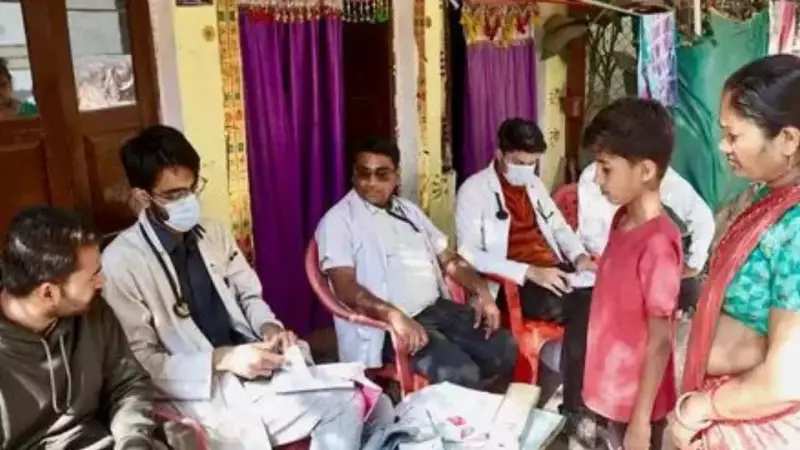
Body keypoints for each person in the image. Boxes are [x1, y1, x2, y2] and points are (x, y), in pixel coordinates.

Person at [102, 125, 389, 450]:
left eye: (192, 188)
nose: (188, 200)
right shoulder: (122, 263)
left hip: (254, 363)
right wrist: (223, 359)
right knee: (345, 404)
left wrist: (269, 328)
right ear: (143, 197)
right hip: (200, 389)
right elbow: (141, 363)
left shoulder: (212, 233)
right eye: (174, 194)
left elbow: (248, 295)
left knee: (376, 402)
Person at [666, 55, 800, 450]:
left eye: (734, 135)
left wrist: (701, 408)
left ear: (788, 140)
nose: (723, 146)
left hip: (760, 425)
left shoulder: (795, 228)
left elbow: (787, 377)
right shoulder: (765, 197)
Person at [316, 138, 518, 390]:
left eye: (382, 174)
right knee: (460, 373)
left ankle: (458, 396)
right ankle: (452, 400)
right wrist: (394, 316)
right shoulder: (338, 221)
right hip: (388, 325)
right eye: (364, 173)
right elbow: (345, 288)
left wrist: (481, 291)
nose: (371, 182)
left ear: (396, 176)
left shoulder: (408, 211)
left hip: (435, 309)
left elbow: (449, 258)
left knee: (504, 347)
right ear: (353, 175)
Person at [455, 118, 594, 413]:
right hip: (514, 283)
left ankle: (587, 391)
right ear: (499, 154)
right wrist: (528, 271)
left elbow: (558, 226)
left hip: (552, 269)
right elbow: (468, 253)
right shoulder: (473, 190)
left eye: (532, 163)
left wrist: (580, 257)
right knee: (584, 306)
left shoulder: (533, 184)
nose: (526, 169)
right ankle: (575, 405)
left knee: (604, 293)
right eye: (519, 162)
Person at [0, 206, 157, 449]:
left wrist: (133, 439)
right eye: (93, 276)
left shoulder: (92, 310)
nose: (102, 282)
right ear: (48, 292)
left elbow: (127, 385)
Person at [579, 98, 682, 450]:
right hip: (606, 394)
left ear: (646, 171)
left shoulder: (658, 244)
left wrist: (639, 423)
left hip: (634, 409)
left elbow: (660, 340)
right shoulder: (621, 219)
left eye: (606, 168)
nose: (597, 178)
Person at [578, 161, 715, 315]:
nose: (598, 178)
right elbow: (592, 241)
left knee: (689, 290)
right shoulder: (590, 179)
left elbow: (702, 219)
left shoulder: (653, 176)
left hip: (643, 279)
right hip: (603, 277)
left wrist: (691, 266)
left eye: (607, 169)